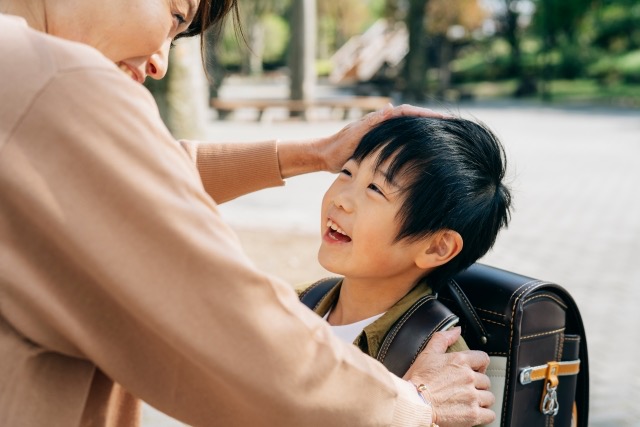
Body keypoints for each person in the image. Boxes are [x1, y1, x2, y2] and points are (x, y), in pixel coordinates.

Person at [0, 1, 495, 426]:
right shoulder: (54, 79)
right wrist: (411, 408)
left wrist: (315, 153)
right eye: (175, 15)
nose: (160, 65)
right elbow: (230, 324)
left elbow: (111, 177)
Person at [300, 115, 511, 362]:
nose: (341, 199)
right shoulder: (294, 304)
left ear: (436, 247)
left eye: (375, 188)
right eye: (347, 172)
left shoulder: (440, 364)